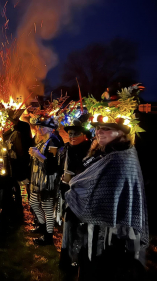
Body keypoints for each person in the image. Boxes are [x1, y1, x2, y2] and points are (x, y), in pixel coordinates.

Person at [64, 115, 149, 280]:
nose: (99, 132)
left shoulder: (121, 159)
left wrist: (74, 190)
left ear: (120, 133)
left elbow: (106, 194)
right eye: (97, 128)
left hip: (111, 233)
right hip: (95, 230)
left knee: (101, 269)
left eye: (106, 129)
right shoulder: (104, 154)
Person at [57, 117, 92, 272]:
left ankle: (76, 260)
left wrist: (74, 178)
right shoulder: (66, 149)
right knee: (69, 227)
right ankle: (68, 259)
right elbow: (59, 168)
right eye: (70, 133)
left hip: (83, 197)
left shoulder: (90, 151)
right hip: (67, 194)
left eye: (76, 133)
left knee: (79, 229)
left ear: (84, 135)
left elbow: (91, 173)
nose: (72, 136)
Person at [28, 115, 63, 245]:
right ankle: (42, 226)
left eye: (43, 127)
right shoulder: (43, 140)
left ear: (51, 129)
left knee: (48, 209)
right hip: (38, 180)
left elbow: (52, 164)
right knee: (33, 202)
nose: (39, 129)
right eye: (38, 126)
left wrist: (37, 155)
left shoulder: (54, 142)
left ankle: (48, 237)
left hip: (48, 181)